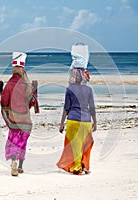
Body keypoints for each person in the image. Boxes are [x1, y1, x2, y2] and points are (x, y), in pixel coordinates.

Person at [57, 44, 97, 175]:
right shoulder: (89, 89)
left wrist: (62, 123)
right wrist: (95, 122)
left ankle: (77, 168)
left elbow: (66, 108)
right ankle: (86, 166)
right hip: (86, 121)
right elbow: (92, 108)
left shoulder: (69, 89)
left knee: (75, 144)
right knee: (87, 143)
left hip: (73, 120)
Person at [0, 52, 39, 176]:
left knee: (14, 139)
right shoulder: (26, 84)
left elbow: (4, 102)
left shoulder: (10, 84)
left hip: (13, 119)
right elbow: (31, 103)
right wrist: (35, 91)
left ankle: (14, 161)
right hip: (25, 119)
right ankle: (20, 166)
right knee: (22, 141)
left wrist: (1, 90)